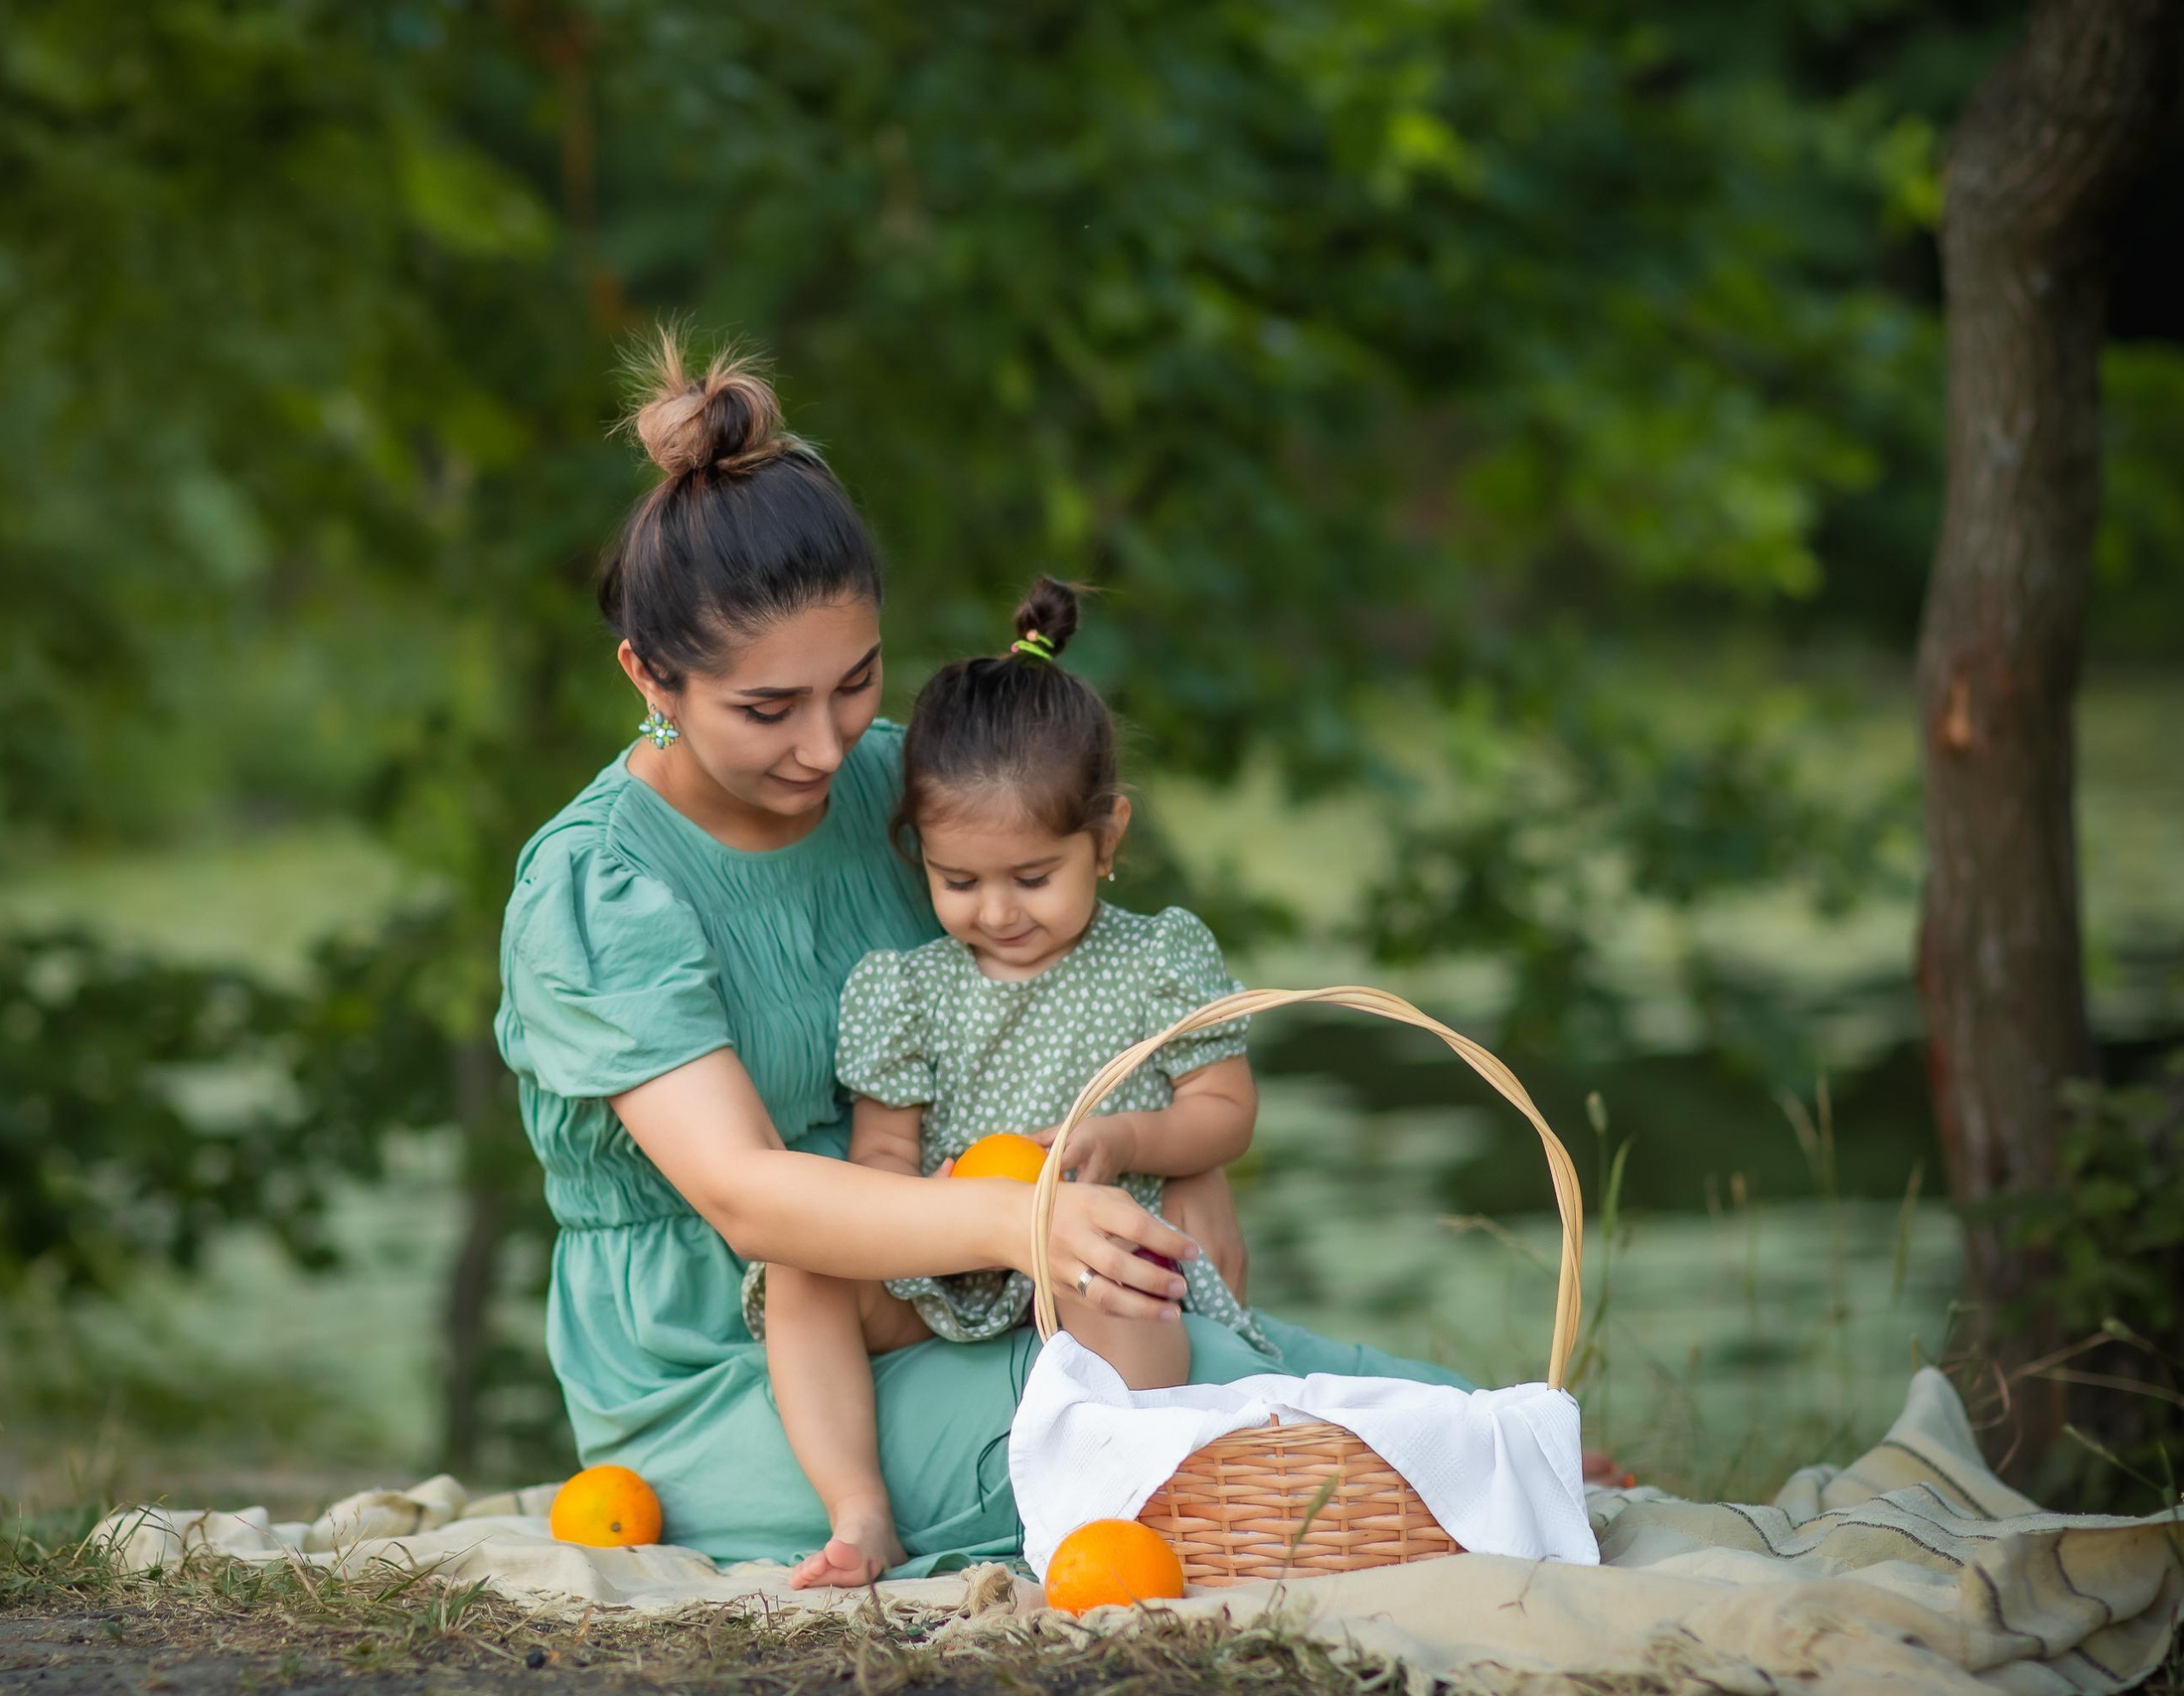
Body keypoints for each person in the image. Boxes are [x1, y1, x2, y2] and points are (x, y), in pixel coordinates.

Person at [493, 333, 1582, 1582]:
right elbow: (747, 1196)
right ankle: (1483, 1474)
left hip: (957, 1276)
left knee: (1246, 1357)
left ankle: (1514, 1454)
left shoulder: (886, 782)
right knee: (1168, 1417)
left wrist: (1176, 1144)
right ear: (649, 677)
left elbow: (1050, 959)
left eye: (854, 683)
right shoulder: (600, 888)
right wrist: (1025, 1220)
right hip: (733, 1361)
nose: (822, 744)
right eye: (765, 709)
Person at [750, 575, 1274, 1586]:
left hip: (1095, 1264)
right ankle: (860, 1512)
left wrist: (1120, 1144)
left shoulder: (1153, 959)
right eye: (959, 881)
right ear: (920, 857)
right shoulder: (903, 990)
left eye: (1032, 877)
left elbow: (1224, 1113)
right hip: (949, 1268)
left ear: (1105, 840)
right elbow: (880, 1163)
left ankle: (1130, 1504)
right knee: (802, 1265)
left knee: (1127, 1285)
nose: (995, 911)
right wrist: (938, 1203)